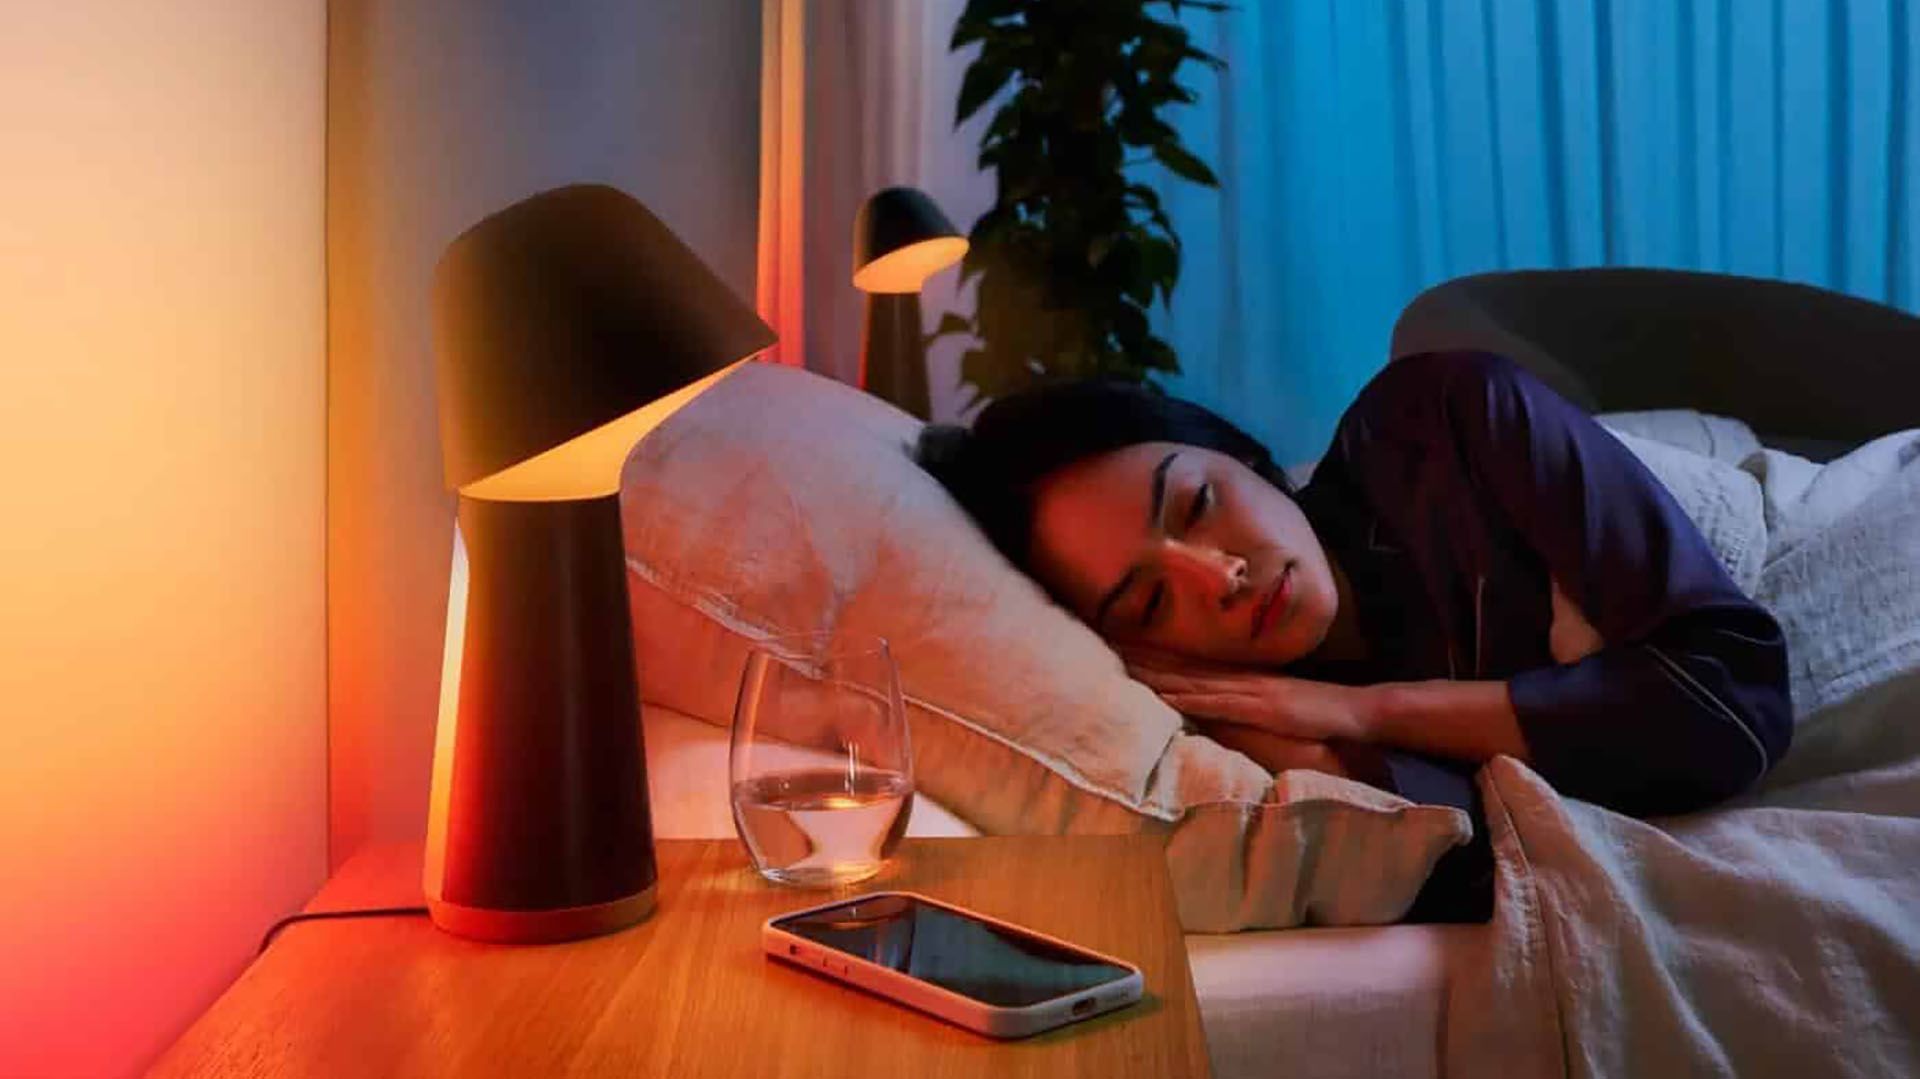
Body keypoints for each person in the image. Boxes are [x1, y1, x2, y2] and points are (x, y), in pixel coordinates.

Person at [916, 349, 1792, 921]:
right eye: (1150, 603)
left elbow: (1734, 703)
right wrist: (1316, 747)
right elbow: (1488, 874)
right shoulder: (1236, 733)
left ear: (1239, 454)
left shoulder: (1444, 419)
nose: (1220, 576)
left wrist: (1369, 712)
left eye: (1198, 503)